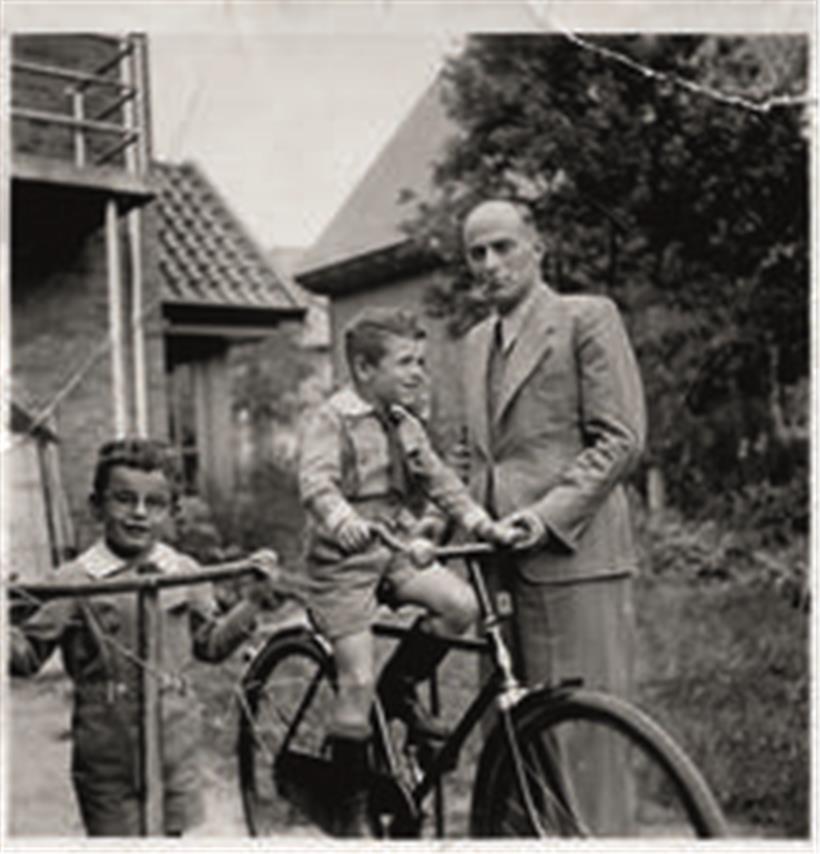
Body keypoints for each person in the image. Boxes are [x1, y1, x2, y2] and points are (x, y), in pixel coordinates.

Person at [461, 199, 647, 832]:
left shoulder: (585, 319)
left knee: (588, 749)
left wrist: (542, 519)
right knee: (512, 749)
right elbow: (473, 454)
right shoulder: (472, 344)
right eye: (476, 253)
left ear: (536, 247)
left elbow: (620, 440)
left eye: (503, 246)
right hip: (497, 572)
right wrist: (449, 518)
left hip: (574, 561)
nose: (490, 263)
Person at [299, 307, 519, 836]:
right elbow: (316, 482)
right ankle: (347, 810)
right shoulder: (331, 419)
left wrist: (480, 523)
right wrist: (343, 519)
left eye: (421, 361)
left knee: (460, 605)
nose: (419, 372)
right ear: (364, 369)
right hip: (343, 561)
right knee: (355, 680)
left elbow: (441, 480)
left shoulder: (406, 423)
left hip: (393, 549)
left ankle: (400, 689)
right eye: (405, 362)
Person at [9, 438, 285, 837]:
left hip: (175, 755)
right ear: (96, 506)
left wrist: (253, 602)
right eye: (123, 499)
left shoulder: (184, 570)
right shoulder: (73, 580)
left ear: (171, 512)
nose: (139, 513)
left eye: (154, 503)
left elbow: (210, 644)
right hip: (108, 763)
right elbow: (25, 655)